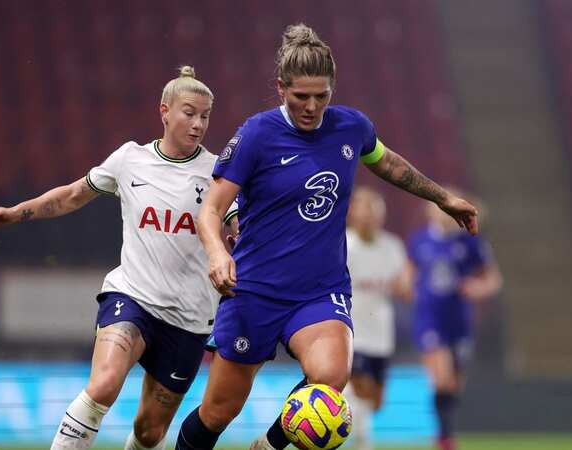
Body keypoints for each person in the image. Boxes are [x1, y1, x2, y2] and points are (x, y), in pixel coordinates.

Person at [173, 24, 479, 450]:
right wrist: (215, 254)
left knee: (331, 379)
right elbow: (211, 208)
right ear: (281, 88)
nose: (312, 107)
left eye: (322, 96)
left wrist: (444, 198)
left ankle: (269, 445)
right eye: (301, 96)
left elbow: (390, 165)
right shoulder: (257, 134)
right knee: (218, 412)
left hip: (319, 290)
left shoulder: (351, 128)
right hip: (255, 289)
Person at [0, 67, 237, 450]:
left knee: (150, 431)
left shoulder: (217, 173)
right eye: (189, 112)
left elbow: (237, 224)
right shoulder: (130, 159)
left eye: (205, 116)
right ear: (164, 111)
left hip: (190, 318)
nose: (198, 124)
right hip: (132, 297)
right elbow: (72, 195)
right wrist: (16, 212)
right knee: (104, 384)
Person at [407, 188, 502, 450]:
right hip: (429, 318)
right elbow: (408, 275)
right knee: (442, 377)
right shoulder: (420, 240)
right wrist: (408, 288)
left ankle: (444, 432)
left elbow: (492, 279)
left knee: (455, 383)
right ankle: (446, 438)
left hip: (459, 318)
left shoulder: (470, 242)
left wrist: (477, 288)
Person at [344, 186, 412, 450]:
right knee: (360, 386)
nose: (370, 216)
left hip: (381, 333)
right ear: (353, 213)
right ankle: (360, 442)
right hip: (351, 330)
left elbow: (404, 285)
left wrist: (405, 284)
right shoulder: (343, 244)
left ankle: (354, 428)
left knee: (375, 400)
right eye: (365, 209)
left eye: (375, 211)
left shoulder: (392, 246)